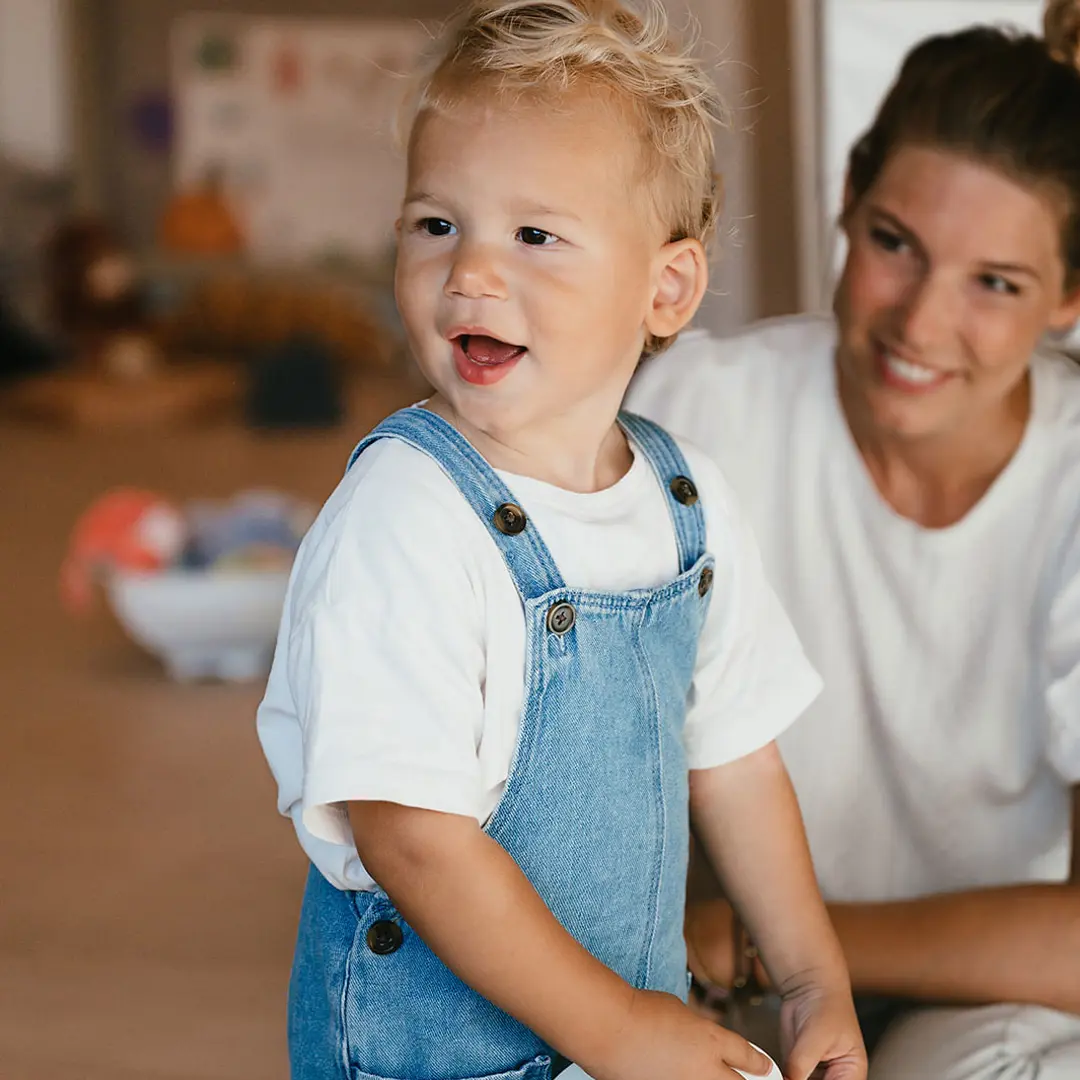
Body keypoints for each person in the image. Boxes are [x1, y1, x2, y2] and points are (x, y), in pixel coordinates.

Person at [256, 2, 867, 1079]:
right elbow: (409, 835)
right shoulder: (403, 515)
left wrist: (815, 976)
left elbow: (737, 767)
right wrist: (616, 1030)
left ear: (665, 290)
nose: (472, 275)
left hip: (615, 1036)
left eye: (535, 236)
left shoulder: (689, 503)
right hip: (434, 1057)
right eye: (436, 223)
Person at [626, 23, 1080, 1080]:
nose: (922, 321)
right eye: (895, 243)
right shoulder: (698, 412)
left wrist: (785, 950)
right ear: (848, 198)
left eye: (996, 284)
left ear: (1068, 300)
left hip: (982, 995)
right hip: (711, 990)